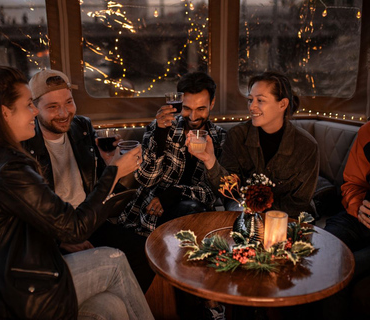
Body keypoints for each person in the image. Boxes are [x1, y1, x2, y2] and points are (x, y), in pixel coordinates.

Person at [0, 64, 153, 320]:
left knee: (110, 307)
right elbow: (72, 228)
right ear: (4, 113)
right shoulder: (6, 166)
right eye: (29, 105)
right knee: (114, 260)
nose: (34, 111)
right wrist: (114, 172)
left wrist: (107, 168)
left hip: (2, 277)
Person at [22, 68, 154, 293]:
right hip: (57, 230)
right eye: (52, 107)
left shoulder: (81, 127)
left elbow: (97, 185)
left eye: (69, 102)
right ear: (34, 108)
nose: (64, 113)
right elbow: (26, 211)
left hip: (90, 218)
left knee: (146, 251)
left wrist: (108, 162)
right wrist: (59, 240)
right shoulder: (25, 143)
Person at [323, 40, 370, 319]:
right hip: (357, 219)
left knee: (344, 273)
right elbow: (351, 183)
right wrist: (357, 205)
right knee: (317, 256)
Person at [189, 71, 319, 218]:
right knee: (239, 212)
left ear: (282, 104)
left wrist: (263, 215)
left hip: (288, 216)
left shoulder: (306, 146)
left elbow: (299, 202)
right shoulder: (237, 136)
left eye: (260, 100)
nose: (252, 107)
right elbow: (229, 192)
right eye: (251, 100)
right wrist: (210, 160)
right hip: (243, 210)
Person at [119, 71, 227, 236]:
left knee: (195, 211)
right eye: (187, 108)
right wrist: (160, 135)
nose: (193, 116)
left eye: (201, 109)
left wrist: (176, 193)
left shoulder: (219, 139)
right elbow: (146, 179)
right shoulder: (160, 128)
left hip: (195, 211)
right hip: (152, 212)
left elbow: (214, 193)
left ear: (212, 104)